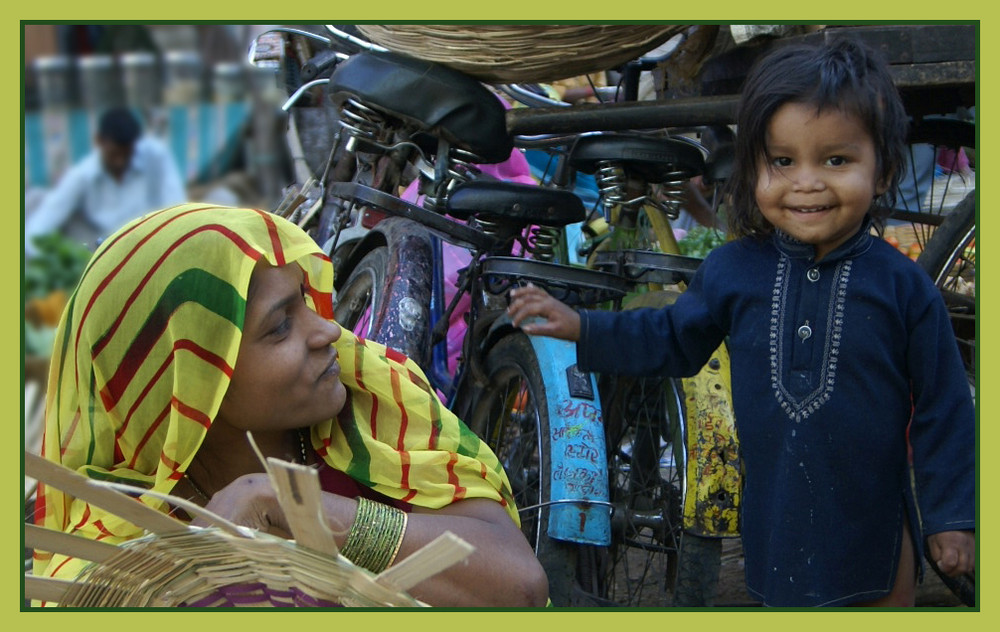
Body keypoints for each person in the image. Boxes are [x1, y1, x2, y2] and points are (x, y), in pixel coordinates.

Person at [507, 39, 974, 607]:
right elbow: (672, 338)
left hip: (875, 528)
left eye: (836, 160)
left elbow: (944, 404)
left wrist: (951, 516)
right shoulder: (733, 271)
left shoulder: (903, 287)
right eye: (782, 160)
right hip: (776, 524)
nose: (807, 182)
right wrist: (582, 327)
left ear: (882, 172)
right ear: (752, 165)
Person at [32, 203, 548, 607]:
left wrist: (290, 506)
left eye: (303, 299)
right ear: (190, 384)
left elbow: (519, 587)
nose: (327, 329)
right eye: (279, 326)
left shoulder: (374, 396)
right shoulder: (121, 524)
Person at [24, 107, 186, 257]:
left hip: (152, 246)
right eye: (114, 154)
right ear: (99, 141)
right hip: (104, 252)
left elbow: (178, 210)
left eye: (126, 154)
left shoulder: (156, 157)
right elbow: (40, 227)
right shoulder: (82, 175)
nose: (120, 162)